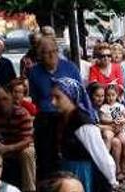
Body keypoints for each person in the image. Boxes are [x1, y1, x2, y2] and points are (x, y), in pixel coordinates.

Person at [29, 36, 81, 180]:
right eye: (46, 52)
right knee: (45, 157)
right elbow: (35, 98)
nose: (52, 55)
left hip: (67, 116)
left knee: (66, 154)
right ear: (40, 55)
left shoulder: (70, 68)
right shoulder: (34, 72)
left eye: (54, 51)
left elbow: (79, 93)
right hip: (46, 117)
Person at [0, 86, 37, 192]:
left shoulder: (22, 113)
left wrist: (8, 148)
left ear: (11, 97)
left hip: (21, 146)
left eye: (4, 99)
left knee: (27, 153)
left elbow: (27, 139)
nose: (1, 103)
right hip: (3, 145)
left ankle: (29, 191)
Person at [99, 83, 125, 181]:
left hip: (120, 128)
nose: (110, 98)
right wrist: (112, 121)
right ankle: (116, 169)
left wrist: (124, 120)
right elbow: (102, 118)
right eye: (108, 95)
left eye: (113, 95)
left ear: (117, 95)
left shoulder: (120, 106)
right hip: (111, 128)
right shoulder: (104, 107)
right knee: (115, 141)